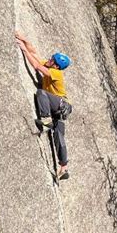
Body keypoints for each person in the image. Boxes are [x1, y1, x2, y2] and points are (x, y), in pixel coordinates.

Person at [15, 31, 72, 180]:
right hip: (59, 109)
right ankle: (64, 168)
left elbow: (35, 65)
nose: (49, 59)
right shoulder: (51, 67)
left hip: (61, 104)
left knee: (41, 92)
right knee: (59, 136)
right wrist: (24, 39)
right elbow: (35, 53)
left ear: (57, 66)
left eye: (52, 59)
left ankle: (46, 120)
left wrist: (23, 50)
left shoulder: (56, 73)